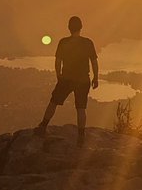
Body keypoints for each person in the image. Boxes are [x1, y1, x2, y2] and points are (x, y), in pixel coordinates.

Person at [35, 16, 99, 146]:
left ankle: (43, 127)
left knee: (53, 102)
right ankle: (81, 137)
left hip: (66, 79)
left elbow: (58, 61)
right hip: (83, 79)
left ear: (69, 28)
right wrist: (96, 77)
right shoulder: (88, 43)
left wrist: (58, 75)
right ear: (81, 27)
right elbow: (94, 61)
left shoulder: (63, 42)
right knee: (81, 108)